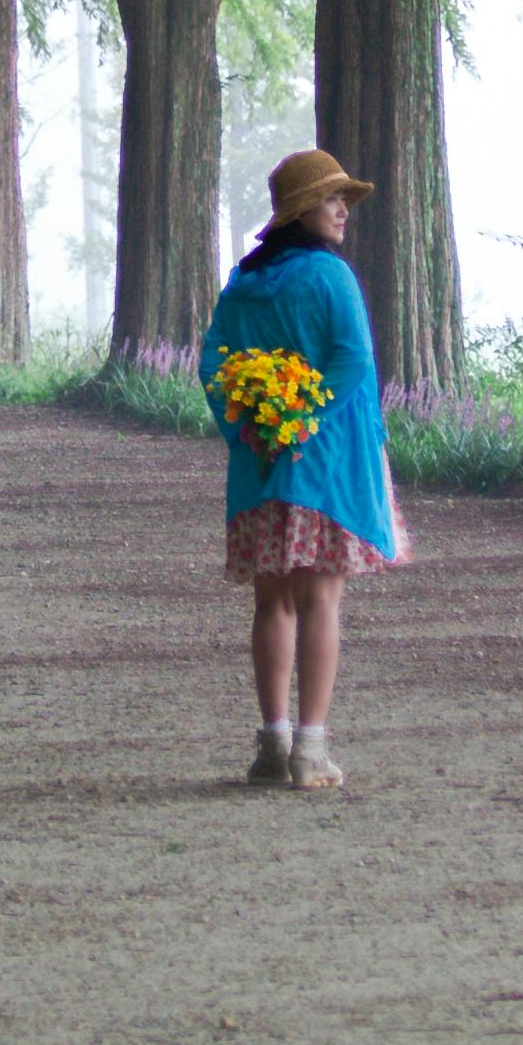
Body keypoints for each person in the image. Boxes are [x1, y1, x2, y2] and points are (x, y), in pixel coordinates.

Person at [206, 145, 404, 787]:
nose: (343, 209)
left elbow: (214, 366)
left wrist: (250, 424)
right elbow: (352, 360)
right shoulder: (329, 276)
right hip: (324, 468)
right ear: (300, 210)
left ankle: (272, 744)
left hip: (260, 467)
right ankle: (310, 751)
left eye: (344, 197)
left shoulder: (244, 282)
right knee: (320, 598)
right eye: (331, 197)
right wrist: (304, 421)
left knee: (272, 603)